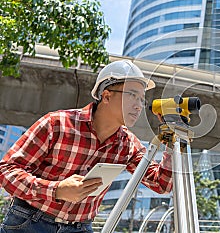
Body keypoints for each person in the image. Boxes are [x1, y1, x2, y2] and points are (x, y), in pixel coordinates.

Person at [0, 60, 173, 233]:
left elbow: (160, 184)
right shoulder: (57, 123)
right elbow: (7, 170)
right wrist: (56, 190)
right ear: (106, 96)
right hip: (30, 222)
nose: (138, 106)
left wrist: (173, 146)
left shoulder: (127, 144)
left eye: (141, 100)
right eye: (132, 95)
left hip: (80, 228)